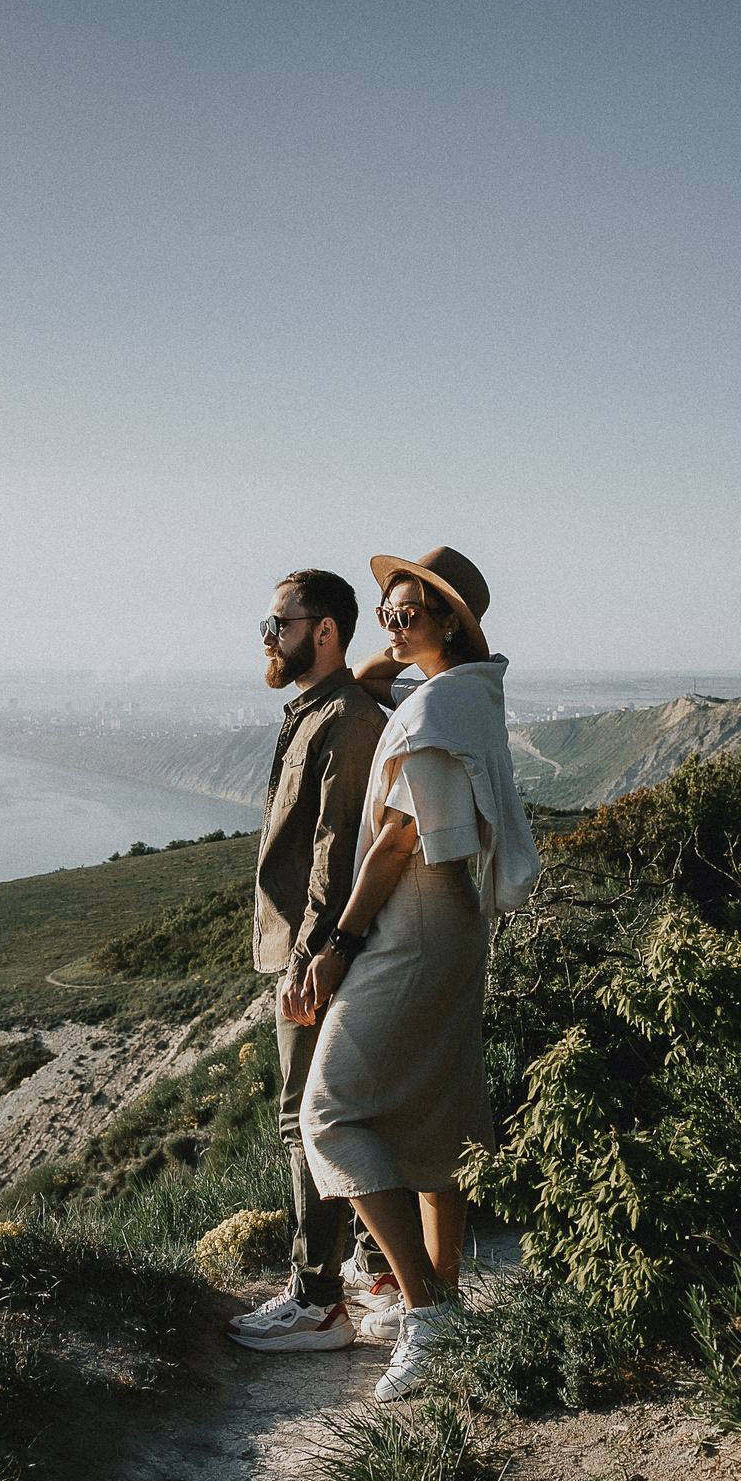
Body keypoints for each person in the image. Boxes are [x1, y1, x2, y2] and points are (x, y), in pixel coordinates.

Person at [288, 546, 541, 1400]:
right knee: (435, 1109)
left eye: (408, 612)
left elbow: (396, 841)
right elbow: (368, 680)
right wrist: (397, 642)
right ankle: (447, 1303)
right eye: (385, 611)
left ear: (451, 622)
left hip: (416, 917)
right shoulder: (456, 694)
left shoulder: (436, 714)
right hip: (450, 921)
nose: (391, 624)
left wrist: (340, 943)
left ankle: (427, 1311)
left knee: (329, 1111)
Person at [226, 569, 393, 1353]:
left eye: (278, 622)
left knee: (306, 1118)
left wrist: (311, 956)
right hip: (299, 947)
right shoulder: (317, 709)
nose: (267, 635)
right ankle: (365, 1264)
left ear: (324, 629)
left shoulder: (347, 719)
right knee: (336, 1110)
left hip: (314, 953)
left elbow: (335, 850)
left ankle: (316, 1297)